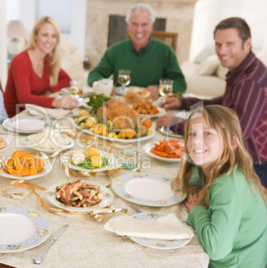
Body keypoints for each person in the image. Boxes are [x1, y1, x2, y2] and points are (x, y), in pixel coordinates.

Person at [156, 17, 267, 186]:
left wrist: (177, 124)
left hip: (252, 167)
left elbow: (233, 135)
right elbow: (224, 104)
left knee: (178, 178)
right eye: (218, 44)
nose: (222, 51)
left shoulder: (249, 82)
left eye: (230, 44)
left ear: (247, 43)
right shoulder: (242, 70)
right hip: (242, 156)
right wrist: (184, 103)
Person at [172, 105, 267, 268]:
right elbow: (194, 179)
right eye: (192, 134)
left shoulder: (227, 185)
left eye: (207, 133)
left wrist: (197, 210)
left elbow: (217, 249)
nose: (196, 141)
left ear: (232, 142)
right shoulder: (214, 166)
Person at [87, 3, 186, 99]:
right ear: (127, 26)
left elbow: (180, 83)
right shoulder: (115, 50)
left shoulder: (165, 51)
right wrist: (104, 84)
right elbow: (93, 75)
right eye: (134, 24)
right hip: (121, 105)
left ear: (151, 26)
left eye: (144, 24)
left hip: (153, 107)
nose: (139, 30)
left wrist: (158, 88)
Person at [4, 16, 79, 117]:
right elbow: (24, 98)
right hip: (16, 117)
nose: (49, 40)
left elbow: (67, 80)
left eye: (53, 36)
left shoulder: (47, 59)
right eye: (45, 35)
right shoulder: (20, 61)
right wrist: (55, 101)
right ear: (35, 35)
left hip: (36, 113)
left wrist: (50, 91)